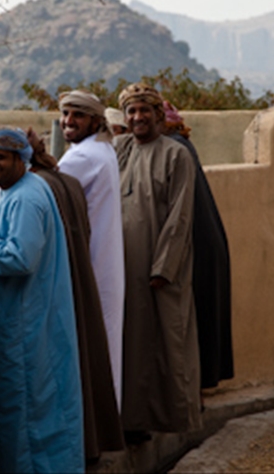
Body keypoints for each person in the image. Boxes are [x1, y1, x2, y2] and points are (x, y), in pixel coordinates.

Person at [0, 125, 83, 473]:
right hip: (27, 320)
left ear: (20, 158)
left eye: (0, 157)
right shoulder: (20, 191)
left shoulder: (27, 197)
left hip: (23, 326)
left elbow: (19, 258)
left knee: (27, 410)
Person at [26, 128, 125, 461]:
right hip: (90, 266)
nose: (69, 121)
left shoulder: (79, 160)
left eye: (0, 158)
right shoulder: (94, 156)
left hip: (72, 275)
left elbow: (18, 252)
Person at [115, 83, 202, 439]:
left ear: (158, 114)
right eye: (131, 112)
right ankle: (132, 422)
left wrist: (163, 267)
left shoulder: (175, 154)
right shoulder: (120, 149)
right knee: (130, 344)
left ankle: (172, 422)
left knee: (166, 344)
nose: (137, 117)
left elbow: (181, 215)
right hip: (123, 266)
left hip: (158, 268)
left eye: (144, 111)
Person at [57, 91, 126, 408]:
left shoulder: (81, 157)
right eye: (66, 114)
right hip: (106, 263)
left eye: (78, 115)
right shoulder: (102, 149)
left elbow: (48, 196)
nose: (68, 121)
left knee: (89, 347)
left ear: (96, 121)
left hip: (92, 265)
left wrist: (0, 195)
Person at [162, 101, 235, 389]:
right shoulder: (181, 145)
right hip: (204, 242)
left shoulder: (174, 149)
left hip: (195, 246)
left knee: (195, 321)